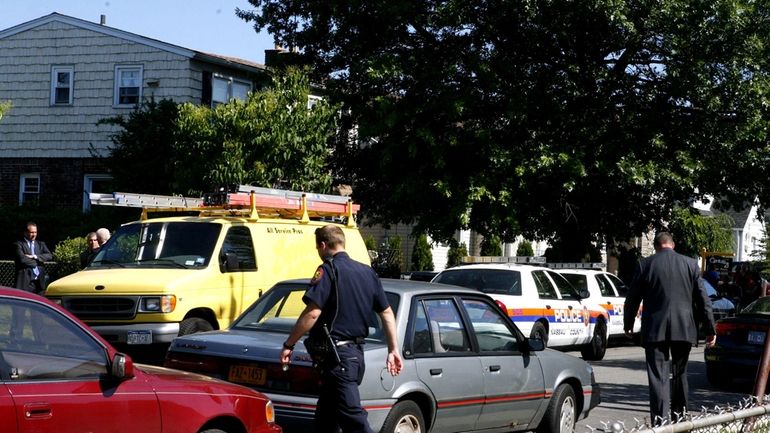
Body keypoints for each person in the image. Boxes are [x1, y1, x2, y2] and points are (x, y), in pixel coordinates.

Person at [280, 225, 403, 433]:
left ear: (322, 245)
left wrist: (289, 344)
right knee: (325, 419)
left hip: (338, 360)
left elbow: (312, 313)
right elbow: (387, 314)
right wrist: (393, 350)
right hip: (354, 356)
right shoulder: (367, 272)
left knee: (354, 420)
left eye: (317, 248)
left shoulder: (328, 270)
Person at [624, 232, 716, 425]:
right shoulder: (690, 264)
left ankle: (660, 423)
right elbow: (703, 299)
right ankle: (680, 419)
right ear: (673, 245)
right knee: (680, 373)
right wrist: (710, 329)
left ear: (657, 246)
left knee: (658, 377)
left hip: (655, 329)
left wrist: (628, 324)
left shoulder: (646, 265)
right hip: (684, 328)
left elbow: (632, 298)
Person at [13, 222, 53, 294]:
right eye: (31, 232)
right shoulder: (18, 244)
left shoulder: (41, 244)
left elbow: (49, 255)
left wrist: (35, 256)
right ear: (25, 233)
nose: (34, 235)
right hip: (25, 282)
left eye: (35, 232)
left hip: (39, 283)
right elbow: (22, 259)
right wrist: (38, 262)